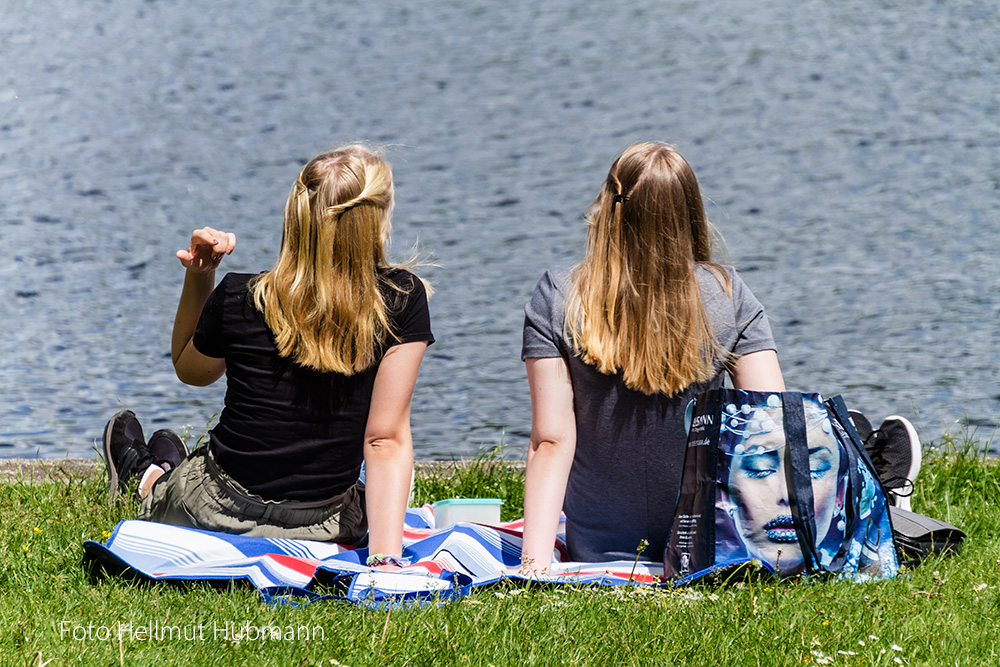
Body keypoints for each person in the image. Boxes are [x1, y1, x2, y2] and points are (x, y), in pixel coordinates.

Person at [103, 145, 433, 570]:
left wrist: (201, 275)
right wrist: (385, 561)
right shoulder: (402, 299)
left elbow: (191, 371)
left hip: (218, 507)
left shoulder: (242, 295)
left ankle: (147, 475)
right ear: (375, 224)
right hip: (326, 522)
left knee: (171, 484)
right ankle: (163, 466)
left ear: (295, 216)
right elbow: (384, 439)